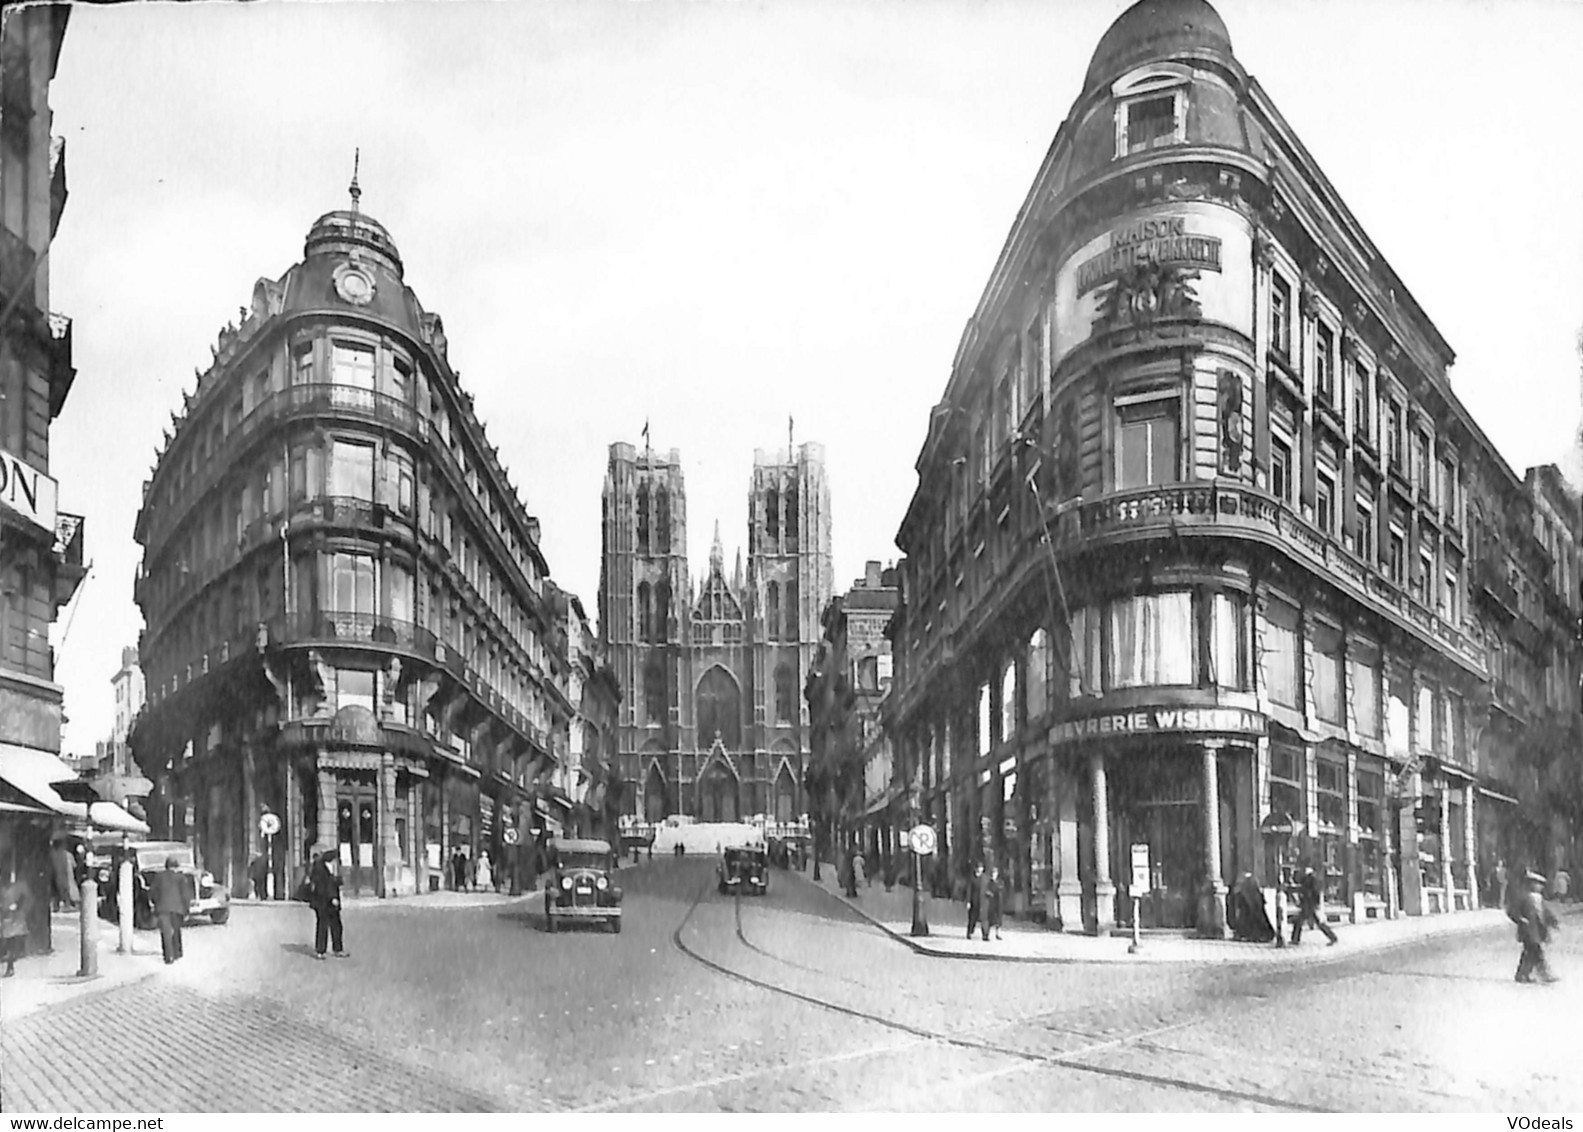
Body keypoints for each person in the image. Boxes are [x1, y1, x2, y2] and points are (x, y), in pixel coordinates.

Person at [1513, 869, 1560, 984]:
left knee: (1530, 953)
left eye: (1541, 885)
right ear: (1531, 885)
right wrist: (1520, 919)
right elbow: (1512, 911)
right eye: (1537, 884)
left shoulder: (1539, 899)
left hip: (1537, 931)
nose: (1539, 887)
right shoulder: (1524, 898)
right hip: (1528, 930)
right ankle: (1544, 974)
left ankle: (1522, 974)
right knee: (1536, 952)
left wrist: (1553, 922)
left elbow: (1546, 912)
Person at [148, 856, 188, 965]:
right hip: (177, 909)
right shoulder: (181, 878)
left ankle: (167, 957)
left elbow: (152, 892)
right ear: (175, 867)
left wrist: (156, 903)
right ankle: (177, 953)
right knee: (175, 930)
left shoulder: (158, 877)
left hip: (162, 908)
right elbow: (185, 896)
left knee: (165, 932)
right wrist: (186, 910)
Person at [308, 850, 347, 960]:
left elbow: (334, 883)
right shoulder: (320, 868)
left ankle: (338, 949)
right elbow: (323, 886)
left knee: (337, 925)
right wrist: (333, 897)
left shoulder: (331, 868)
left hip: (330, 902)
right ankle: (320, 951)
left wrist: (338, 879)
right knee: (322, 926)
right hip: (323, 902)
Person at [1290, 866, 1338, 946]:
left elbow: (1309, 893)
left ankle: (1295, 939)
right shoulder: (1313, 880)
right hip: (1310, 905)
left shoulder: (1308, 881)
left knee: (1301, 922)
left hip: (1308, 905)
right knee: (1315, 923)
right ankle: (1332, 937)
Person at [1, 867, 33, 977]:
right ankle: (10, 964)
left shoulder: (20, 886)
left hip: (11, 918)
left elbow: (28, 900)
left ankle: (10, 965)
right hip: (6, 918)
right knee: (8, 942)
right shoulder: (8, 888)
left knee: (10, 942)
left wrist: (19, 908)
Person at [1229, 873, 1275, 943]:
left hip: (1251, 887)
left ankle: (1256, 934)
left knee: (1254, 910)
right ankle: (1248, 933)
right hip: (1249, 886)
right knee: (1248, 909)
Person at [49, 840, 77, 912]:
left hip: (55, 873)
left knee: (56, 890)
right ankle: (66, 904)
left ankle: (57, 906)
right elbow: (74, 865)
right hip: (62, 874)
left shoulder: (52, 853)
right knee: (64, 888)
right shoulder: (66, 854)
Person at [966, 863, 986, 940]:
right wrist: (968, 901)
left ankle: (985, 934)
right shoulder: (972, 878)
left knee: (984, 919)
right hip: (973, 901)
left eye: (981, 868)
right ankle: (970, 932)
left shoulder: (984, 878)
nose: (979, 869)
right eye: (978, 868)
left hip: (982, 902)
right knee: (972, 918)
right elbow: (969, 890)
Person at [985, 865, 1004, 941]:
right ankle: (987, 934)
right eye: (993, 873)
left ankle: (998, 934)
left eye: (995, 873)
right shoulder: (989, 882)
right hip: (991, 902)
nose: (994, 874)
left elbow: (1002, 890)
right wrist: (989, 893)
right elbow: (986, 891)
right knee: (990, 919)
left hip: (999, 902)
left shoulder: (1000, 882)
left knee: (999, 919)